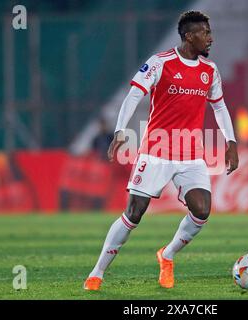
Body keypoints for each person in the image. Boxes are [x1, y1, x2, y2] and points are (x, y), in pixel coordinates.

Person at [84, 10, 238, 290]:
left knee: (202, 211)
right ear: (189, 36)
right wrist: (120, 129)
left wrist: (231, 141)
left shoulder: (210, 71)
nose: (211, 38)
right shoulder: (160, 63)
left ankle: (166, 256)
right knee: (134, 212)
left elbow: (219, 106)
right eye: (205, 33)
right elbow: (134, 94)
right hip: (156, 150)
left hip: (191, 153)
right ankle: (97, 272)